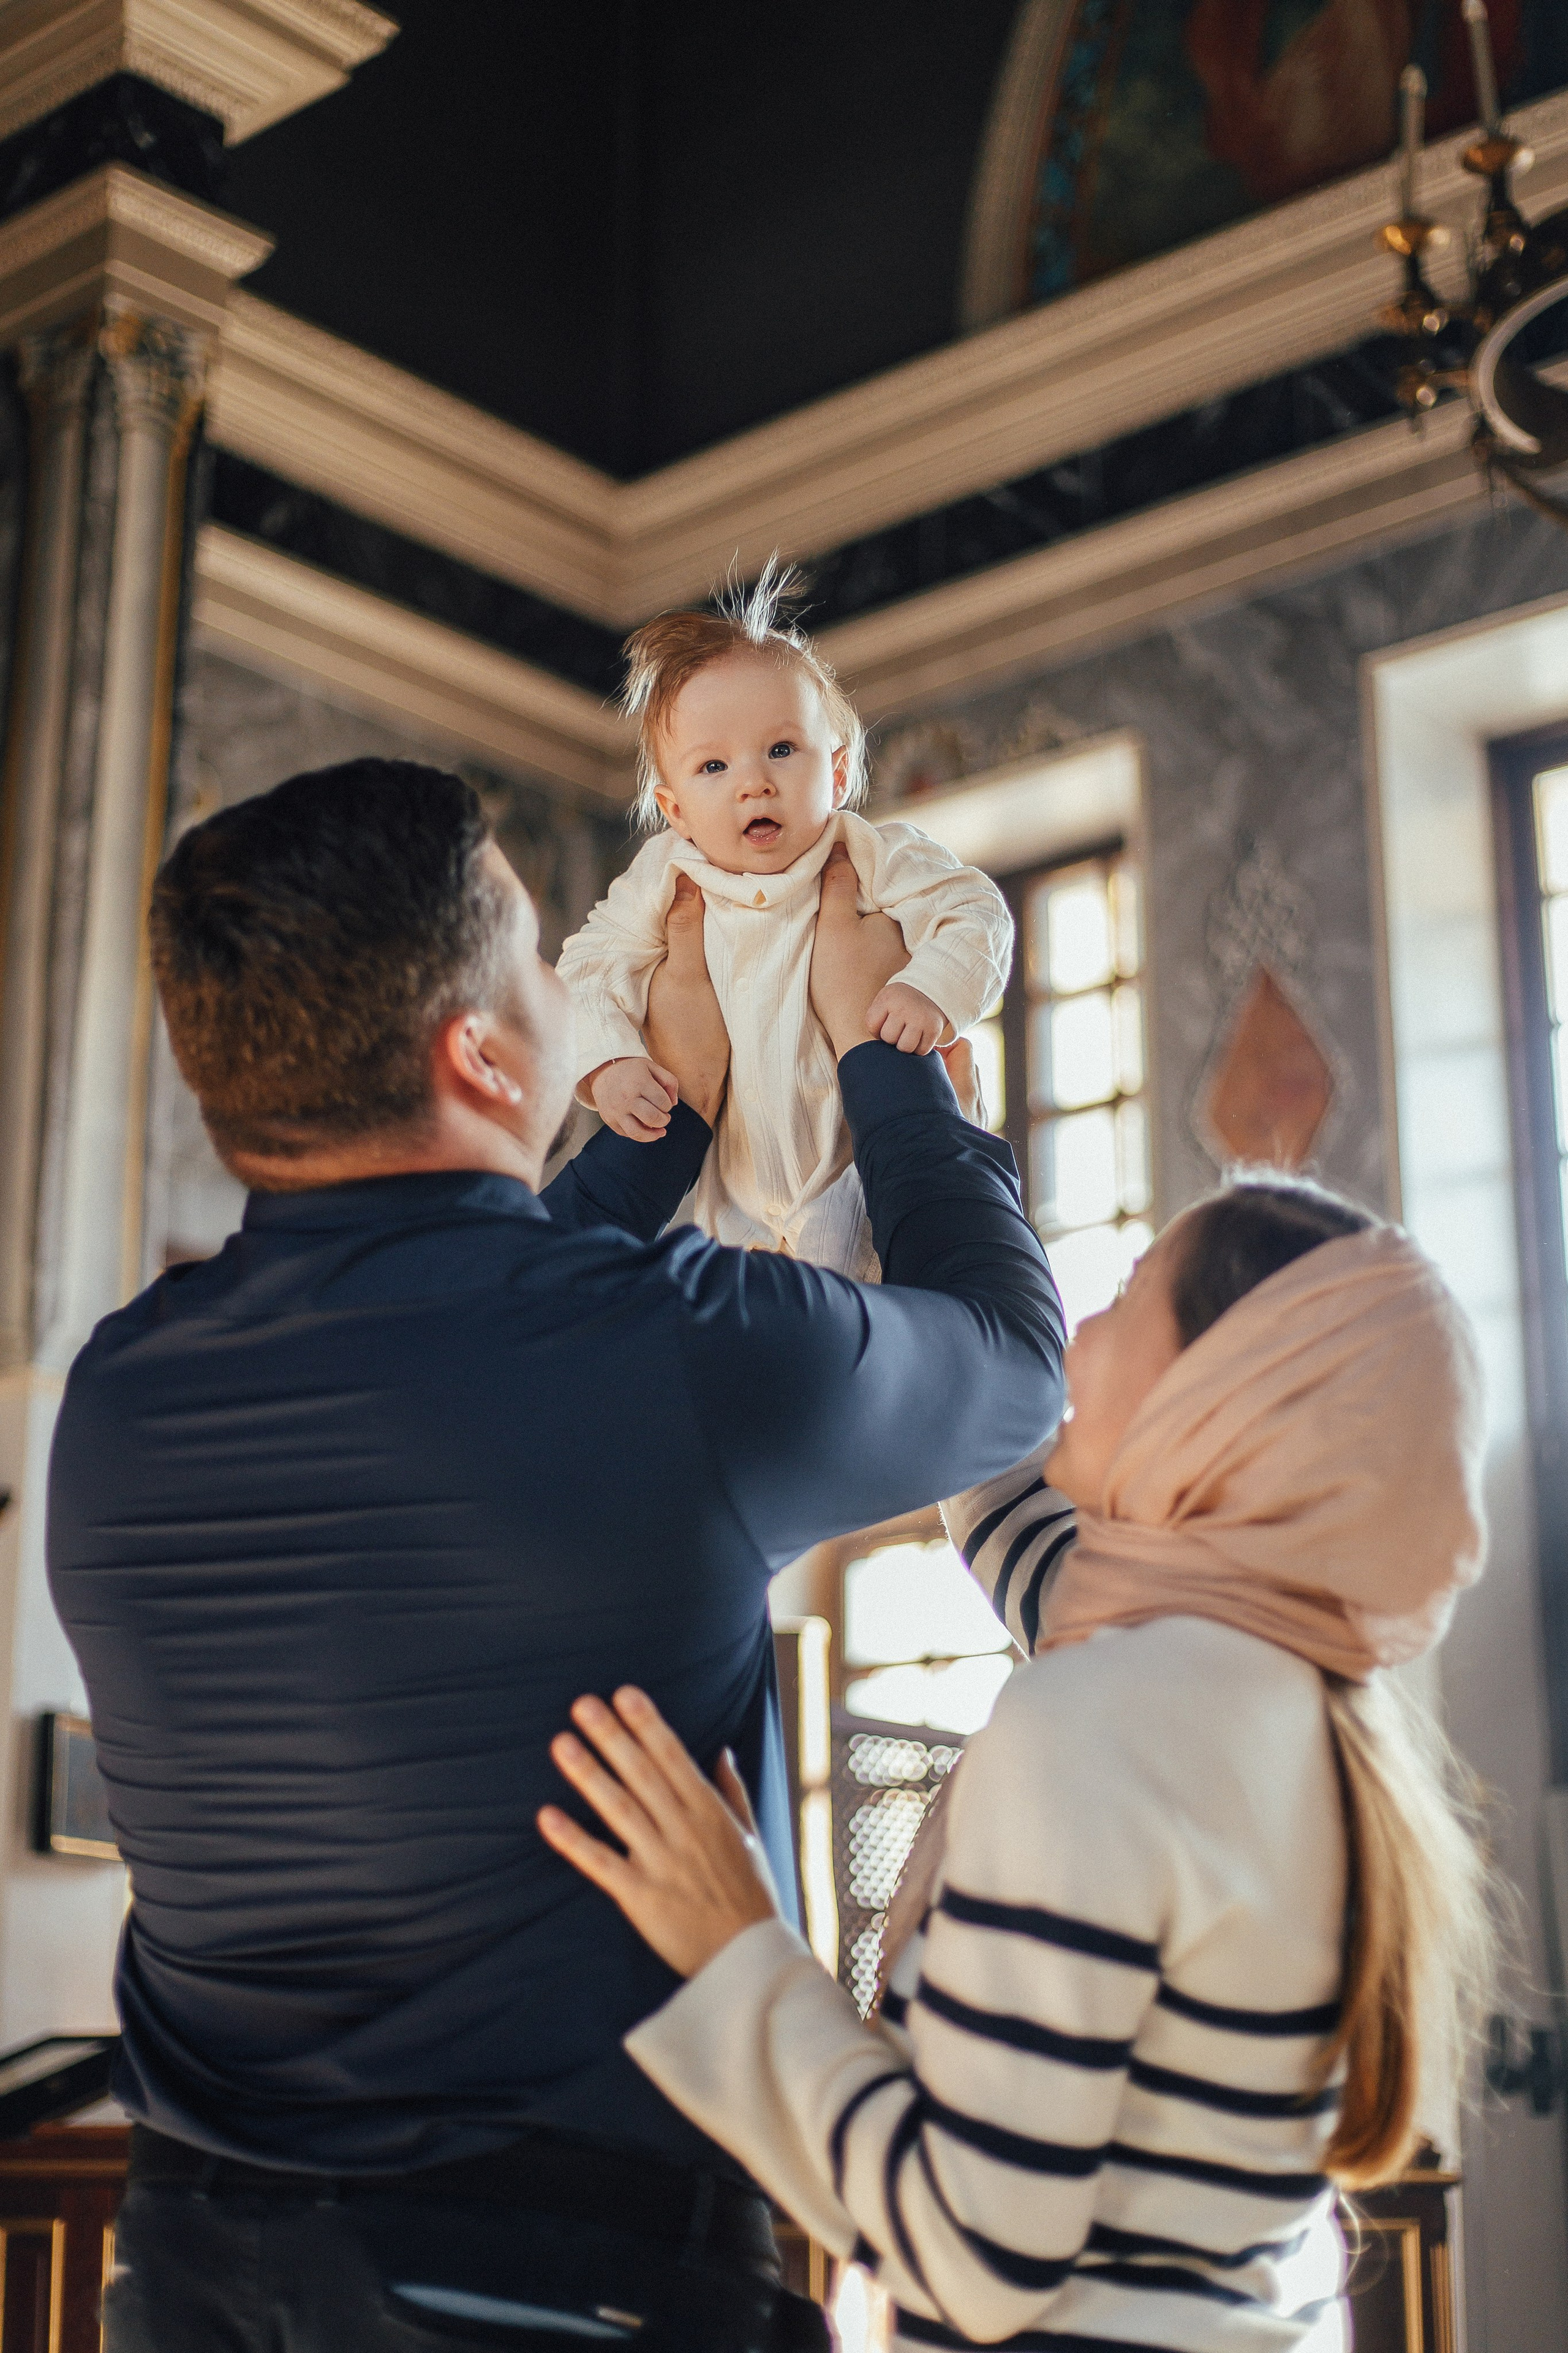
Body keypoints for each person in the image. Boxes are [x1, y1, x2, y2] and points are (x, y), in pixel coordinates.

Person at [46, 756, 1063, 2353]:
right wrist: (889, 1052)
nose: (581, 988)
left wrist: (666, 1133)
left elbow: (483, 1350)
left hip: (186, 2284)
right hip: (551, 2292)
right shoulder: (677, 1353)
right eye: (539, 957)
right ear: (479, 1054)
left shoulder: (118, 1393)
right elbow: (1012, 1367)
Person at [541, 1177, 1497, 2353]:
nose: (1082, 1329)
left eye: (1132, 1295)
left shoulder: (1103, 1722)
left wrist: (735, 1949)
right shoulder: (1277, 1685)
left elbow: (974, 2251)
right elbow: (1017, 1512)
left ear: (1219, 1398)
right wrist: (916, 1187)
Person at [556, 566, 1012, 1278]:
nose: (753, 782)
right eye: (712, 765)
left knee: (888, 1297)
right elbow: (588, 967)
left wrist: (930, 988)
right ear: (673, 810)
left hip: (864, 1175)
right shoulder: (668, 876)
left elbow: (978, 912)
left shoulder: (868, 854)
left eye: (780, 749)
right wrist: (611, 1059)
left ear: (836, 773)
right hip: (733, 1207)